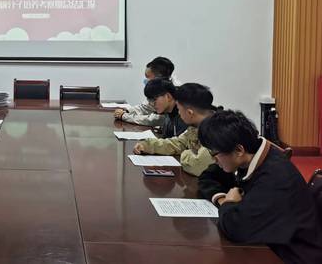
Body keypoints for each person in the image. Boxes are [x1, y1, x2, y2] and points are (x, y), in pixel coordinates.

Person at [198, 110, 322, 264]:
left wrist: (229, 203)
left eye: (214, 153)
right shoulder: (247, 157)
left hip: (292, 255)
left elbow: (235, 228)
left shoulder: (275, 177)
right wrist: (222, 198)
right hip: (269, 244)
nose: (214, 160)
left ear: (239, 150)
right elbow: (207, 177)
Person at [132, 83, 216, 176]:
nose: (179, 113)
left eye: (179, 109)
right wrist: (148, 145)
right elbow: (178, 143)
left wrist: (185, 153)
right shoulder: (195, 126)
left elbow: (197, 166)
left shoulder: (215, 131)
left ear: (189, 113)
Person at [114, 56, 176, 126]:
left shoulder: (171, 93)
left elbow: (155, 120)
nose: (145, 80)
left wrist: (125, 116)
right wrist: (127, 111)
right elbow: (145, 107)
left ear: (159, 77)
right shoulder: (159, 89)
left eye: (147, 77)